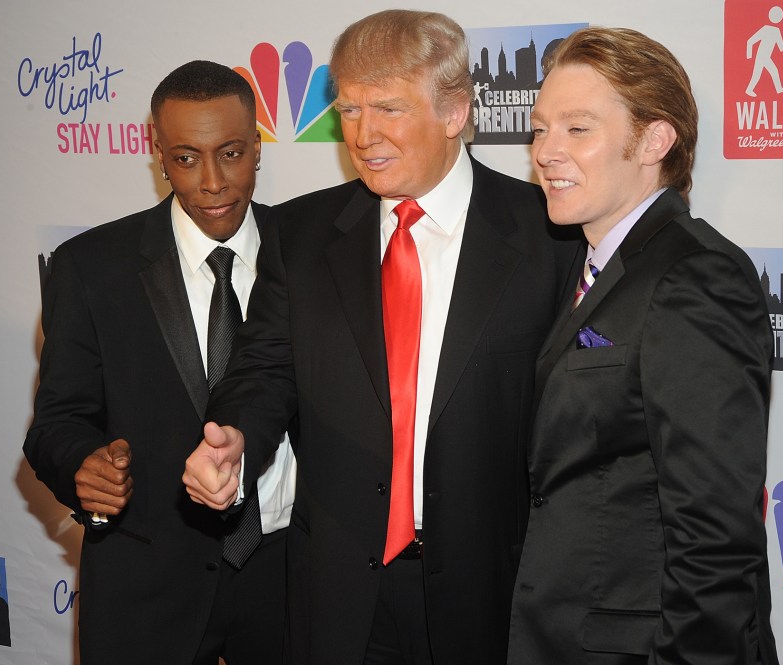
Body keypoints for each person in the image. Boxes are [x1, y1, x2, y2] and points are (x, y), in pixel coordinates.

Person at [183, 10, 579, 665]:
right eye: (350, 109)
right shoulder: (300, 234)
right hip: (338, 592)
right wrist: (235, 440)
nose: (363, 135)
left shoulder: (550, 237)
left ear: (455, 112)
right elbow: (263, 372)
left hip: (490, 593)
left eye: (388, 108)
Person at [508, 27, 780, 664]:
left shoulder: (696, 276)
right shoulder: (588, 264)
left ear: (655, 141)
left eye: (577, 129)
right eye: (540, 129)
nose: (546, 151)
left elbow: (715, 534)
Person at [23, 60, 295, 664]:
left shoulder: (310, 253)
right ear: (158, 156)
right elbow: (56, 423)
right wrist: (82, 464)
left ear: (258, 147)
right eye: (186, 158)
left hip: (290, 576)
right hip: (146, 583)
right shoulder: (91, 267)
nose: (213, 182)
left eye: (231, 153)